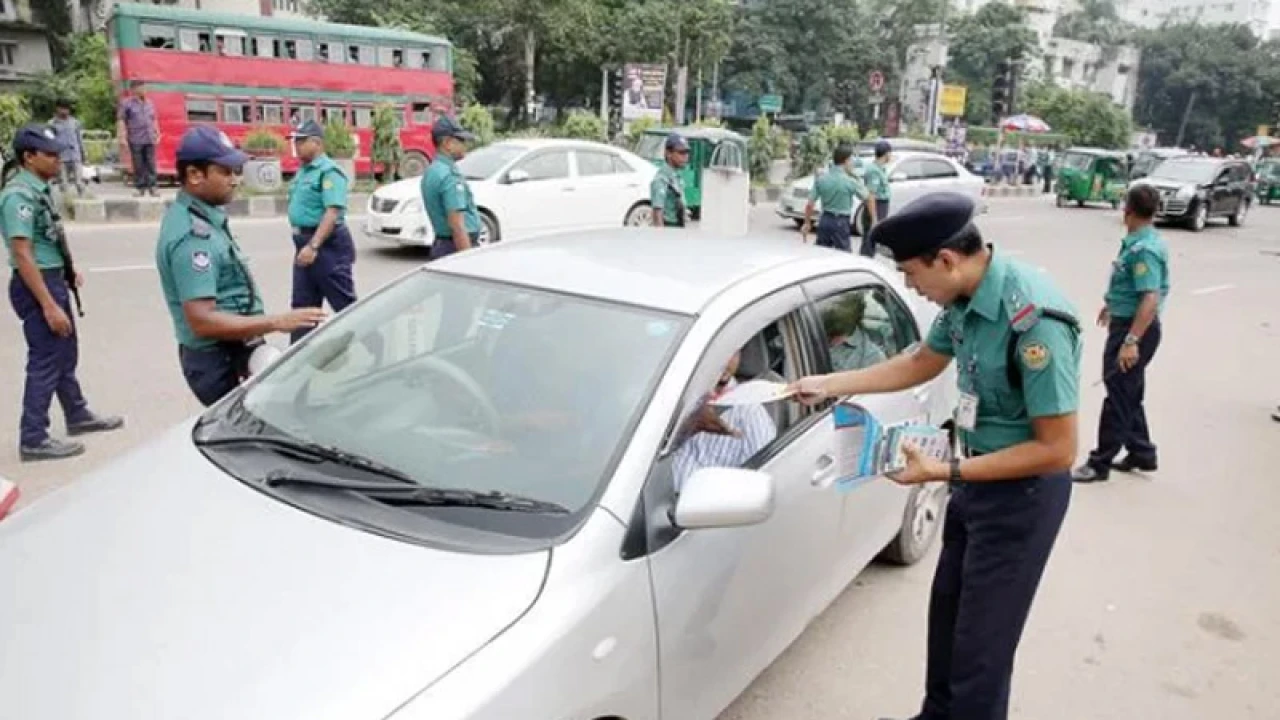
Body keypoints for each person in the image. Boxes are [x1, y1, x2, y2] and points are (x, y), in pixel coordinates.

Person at [788, 192, 1081, 720]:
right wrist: (830, 383)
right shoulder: (963, 300)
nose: (909, 286)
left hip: (1021, 497)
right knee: (947, 620)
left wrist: (944, 471)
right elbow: (922, 361)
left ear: (945, 260)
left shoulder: (1034, 321)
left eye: (910, 273)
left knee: (982, 650)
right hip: (973, 481)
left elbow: (1058, 450)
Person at [155, 125, 327, 407]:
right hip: (218, 360)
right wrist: (277, 322)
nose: (235, 180)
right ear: (195, 175)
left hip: (236, 348)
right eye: (226, 172)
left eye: (235, 171)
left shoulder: (202, 216)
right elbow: (202, 320)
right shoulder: (192, 238)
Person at [1, 125, 123, 461]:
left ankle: (77, 413)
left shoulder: (39, 190)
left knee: (64, 354)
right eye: (50, 154)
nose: (58, 160)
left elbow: (45, 241)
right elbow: (22, 253)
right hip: (36, 285)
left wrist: (66, 272)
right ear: (29, 157)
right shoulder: (18, 196)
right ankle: (33, 437)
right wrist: (48, 304)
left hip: (50, 278)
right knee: (45, 361)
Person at [1072, 185, 1169, 483]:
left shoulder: (1144, 250)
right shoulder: (1140, 241)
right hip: (1129, 323)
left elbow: (1149, 298)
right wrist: (1111, 305)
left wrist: (1131, 341)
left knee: (1117, 396)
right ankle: (1142, 452)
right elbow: (1132, 288)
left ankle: (1099, 462)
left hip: (1134, 330)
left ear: (1128, 210)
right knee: (1128, 392)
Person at [287, 119, 355, 345]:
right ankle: (297, 355)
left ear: (316, 143)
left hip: (326, 245)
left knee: (344, 304)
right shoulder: (304, 172)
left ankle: (373, 346)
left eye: (301, 141)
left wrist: (314, 245)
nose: (296, 146)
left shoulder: (329, 172)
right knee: (302, 306)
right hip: (304, 244)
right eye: (295, 141)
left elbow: (332, 212)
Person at [671, 349, 777, 490]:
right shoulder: (670, 399)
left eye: (733, 352)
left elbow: (764, 480)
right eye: (718, 353)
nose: (725, 361)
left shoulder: (749, 413)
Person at [421, 116, 480, 259]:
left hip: (441, 243)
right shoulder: (450, 176)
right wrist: (468, 258)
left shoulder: (433, 170)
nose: (465, 145)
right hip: (455, 246)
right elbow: (457, 226)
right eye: (461, 140)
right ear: (447, 143)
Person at [802, 144, 866, 252]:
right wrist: (855, 176)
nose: (852, 163)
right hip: (841, 221)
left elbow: (810, 204)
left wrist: (807, 223)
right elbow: (865, 196)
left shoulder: (822, 179)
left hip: (825, 220)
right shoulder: (850, 181)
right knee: (844, 254)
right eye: (851, 160)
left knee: (821, 252)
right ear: (846, 161)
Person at [117, 82, 160, 198]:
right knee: (138, 164)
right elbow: (121, 120)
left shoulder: (149, 103)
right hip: (135, 138)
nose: (145, 90)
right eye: (142, 87)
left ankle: (153, 187)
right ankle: (140, 187)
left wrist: (157, 132)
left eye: (145, 87)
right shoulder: (127, 104)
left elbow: (153, 119)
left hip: (149, 138)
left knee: (151, 164)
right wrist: (122, 137)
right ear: (134, 89)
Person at [860, 140, 893, 256]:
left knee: (873, 241)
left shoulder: (880, 169)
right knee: (870, 241)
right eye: (890, 153)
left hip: (880, 206)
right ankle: (865, 263)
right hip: (876, 206)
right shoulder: (873, 171)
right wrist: (874, 218)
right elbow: (871, 195)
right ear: (886, 154)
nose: (891, 156)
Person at [651, 133, 690, 228]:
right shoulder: (661, 179)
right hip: (668, 229)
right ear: (668, 153)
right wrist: (662, 235)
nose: (686, 156)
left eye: (687, 152)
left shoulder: (676, 176)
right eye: (681, 152)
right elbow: (657, 213)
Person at [49, 100, 86, 198]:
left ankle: (83, 200)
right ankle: (66, 202)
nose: (64, 111)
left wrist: (84, 155)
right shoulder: (52, 124)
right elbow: (50, 141)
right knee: (63, 184)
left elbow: (80, 140)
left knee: (79, 182)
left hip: (75, 156)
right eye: (62, 108)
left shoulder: (75, 123)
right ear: (57, 109)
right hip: (61, 157)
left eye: (66, 109)